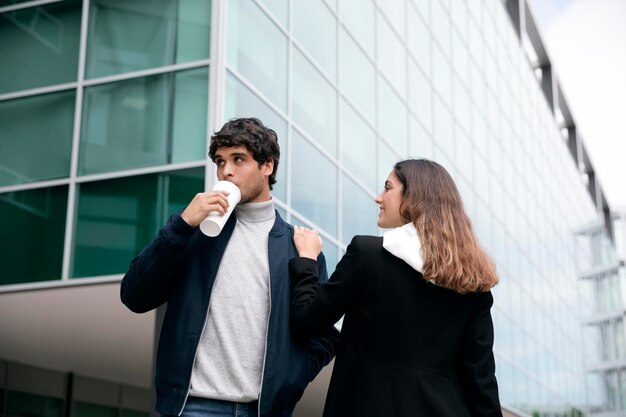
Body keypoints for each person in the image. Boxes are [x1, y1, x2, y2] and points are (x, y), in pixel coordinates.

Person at [120, 118, 338, 417]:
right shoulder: (190, 229)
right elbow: (135, 296)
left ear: (267, 166)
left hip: (262, 410)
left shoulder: (298, 247)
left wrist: (290, 379)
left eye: (239, 159)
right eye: (220, 162)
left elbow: (324, 334)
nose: (226, 171)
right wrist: (182, 224)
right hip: (193, 405)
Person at [290, 159, 503, 417]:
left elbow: (305, 321)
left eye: (388, 188)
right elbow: (481, 382)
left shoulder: (366, 256)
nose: (378, 198)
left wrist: (307, 261)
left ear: (413, 198)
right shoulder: (471, 283)